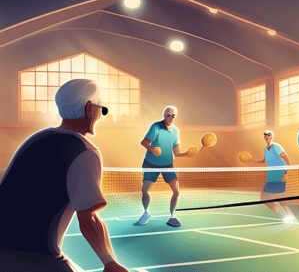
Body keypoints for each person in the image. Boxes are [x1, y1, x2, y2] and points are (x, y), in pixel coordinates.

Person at [0, 79, 128, 271]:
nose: (100, 114)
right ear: (88, 109)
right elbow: (88, 218)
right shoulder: (85, 151)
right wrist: (109, 261)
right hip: (38, 257)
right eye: (100, 109)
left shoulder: (34, 139)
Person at [138, 106, 198, 227]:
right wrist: (152, 149)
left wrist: (186, 154)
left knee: (176, 191)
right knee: (145, 190)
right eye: (168, 115)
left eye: (173, 116)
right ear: (164, 115)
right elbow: (144, 142)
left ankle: (172, 216)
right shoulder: (156, 127)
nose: (170, 118)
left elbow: (176, 152)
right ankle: (145, 213)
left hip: (167, 165)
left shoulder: (175, 131)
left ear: (175, 117)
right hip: (151, 164)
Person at [248, 130, 296, 223]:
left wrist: (286, 170)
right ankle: (283, 215)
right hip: (271, 176)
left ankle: (290, 217)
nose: (266, 137)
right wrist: (251, 161)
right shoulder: (266, 149)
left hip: (279, 174)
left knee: (279, 199)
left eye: (268, 135)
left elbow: (287, 159)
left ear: (271, 137)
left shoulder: (276, 146)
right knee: (264, 198)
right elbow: (263, 161)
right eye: (265, 136)